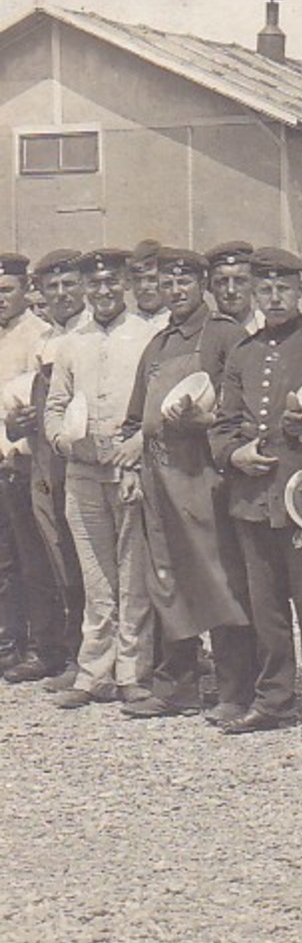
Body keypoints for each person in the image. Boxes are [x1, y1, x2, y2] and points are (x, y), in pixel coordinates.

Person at [209, 247, 302, 737]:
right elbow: (222, 426)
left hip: (299, 496)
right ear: (254, 293)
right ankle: (275, 698)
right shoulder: (244, 352)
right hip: (250, 499)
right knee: (265, 606)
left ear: (300, 290)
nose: (275, 297)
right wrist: (234, 454)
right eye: (265, 289)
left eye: (284, 287)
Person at [120, 248, 252, 719]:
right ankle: (176, 686)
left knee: (218, 581)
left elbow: (240, 411)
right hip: (159, 480)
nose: (176, 292)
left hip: (203, 477)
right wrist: (132, 461)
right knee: (167, 581)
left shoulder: (223, 336)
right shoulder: (157, 345)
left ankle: (237, 691)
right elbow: (135, 419)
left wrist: (205, 418)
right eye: (168, 284)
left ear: (203, 286)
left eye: (185, 283)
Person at [44, 248, 158, 708]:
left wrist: (139, 449)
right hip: (83, 475)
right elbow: (55, 408)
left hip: (130, 471)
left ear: (126, 284)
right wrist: (67, 444)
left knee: (134, 577)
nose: (104, 291)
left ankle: (133, 672)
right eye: (95, 284)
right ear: (85, 288)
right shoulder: (71, 341)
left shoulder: (148, 335)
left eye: (112, 282)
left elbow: (158, 404)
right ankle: (94, 672)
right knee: (97, 578)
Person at [0, 252, 71, 685]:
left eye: (6, 291)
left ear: (25, 289)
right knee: (4, 561)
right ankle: (9, 642)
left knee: (36, 561)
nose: (0, 299)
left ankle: (46, 647)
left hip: (25, 462)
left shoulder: (41, 337)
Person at [26, 250, 89, 692]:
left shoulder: (91, 333)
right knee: (59, 555)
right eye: (54, 287)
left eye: (69, 285)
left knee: (91, 561)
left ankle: (94, 659)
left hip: (85, 458)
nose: (63, 294)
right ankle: (72, 652)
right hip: (47, 458)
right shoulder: (44, 339)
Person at [206, 241, 259, 335]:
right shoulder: (203, 334)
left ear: (254, 284)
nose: (231, 290)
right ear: (209, 286)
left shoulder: (268, 328)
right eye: (223, 281)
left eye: (240, 281)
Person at [128, 240, 170, 326]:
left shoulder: (179, 323)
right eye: (137, 280)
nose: (143, 286)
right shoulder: (126, 326)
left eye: (152, 279)